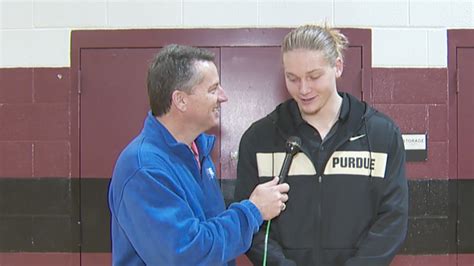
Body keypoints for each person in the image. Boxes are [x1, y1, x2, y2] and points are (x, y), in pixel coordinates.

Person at [234, 24, 408, 266]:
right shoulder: (259, 138)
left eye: (314, 77)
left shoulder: (381, 134)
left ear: (337, 67)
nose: (303, 89)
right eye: (292, 78)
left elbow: (393, 220)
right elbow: (250, 223)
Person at [108, 44, 290, 266]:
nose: (223, 96)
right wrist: (252, 212)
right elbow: (185, 254)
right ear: (181, 100)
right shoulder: (143, 169)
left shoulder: (198, 155)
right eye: (213, 89)